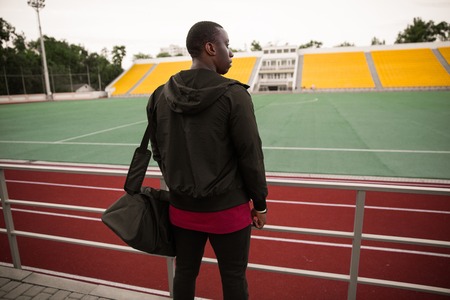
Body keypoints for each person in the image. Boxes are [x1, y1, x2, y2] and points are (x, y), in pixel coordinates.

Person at [147, 21, 268, 300]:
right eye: (228, 44)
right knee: (234, 276)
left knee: (185, 272)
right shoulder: (234, 94)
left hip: (182, 208)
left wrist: (180, 184)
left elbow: (159, 151)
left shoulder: (159, 95)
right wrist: (260, 203)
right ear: (211, 48)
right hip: (228, 209)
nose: (232, 52)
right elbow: (250, 155)